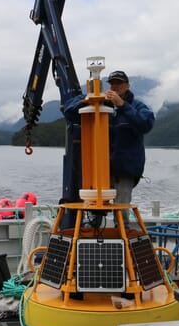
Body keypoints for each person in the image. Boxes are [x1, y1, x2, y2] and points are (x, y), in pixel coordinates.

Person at [62, 70, 154, 226]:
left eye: (119, 83)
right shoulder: (99, 102)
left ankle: (122, 239)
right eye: (112, 83)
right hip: (98, 170)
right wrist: (88, 99)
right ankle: (93, 236)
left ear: (127, 86)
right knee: (94, 208)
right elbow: (68, 112)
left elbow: (145, 124)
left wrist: (122, 105)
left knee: (122, 209)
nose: (115, 86)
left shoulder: (137, 106)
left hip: (125, 169)